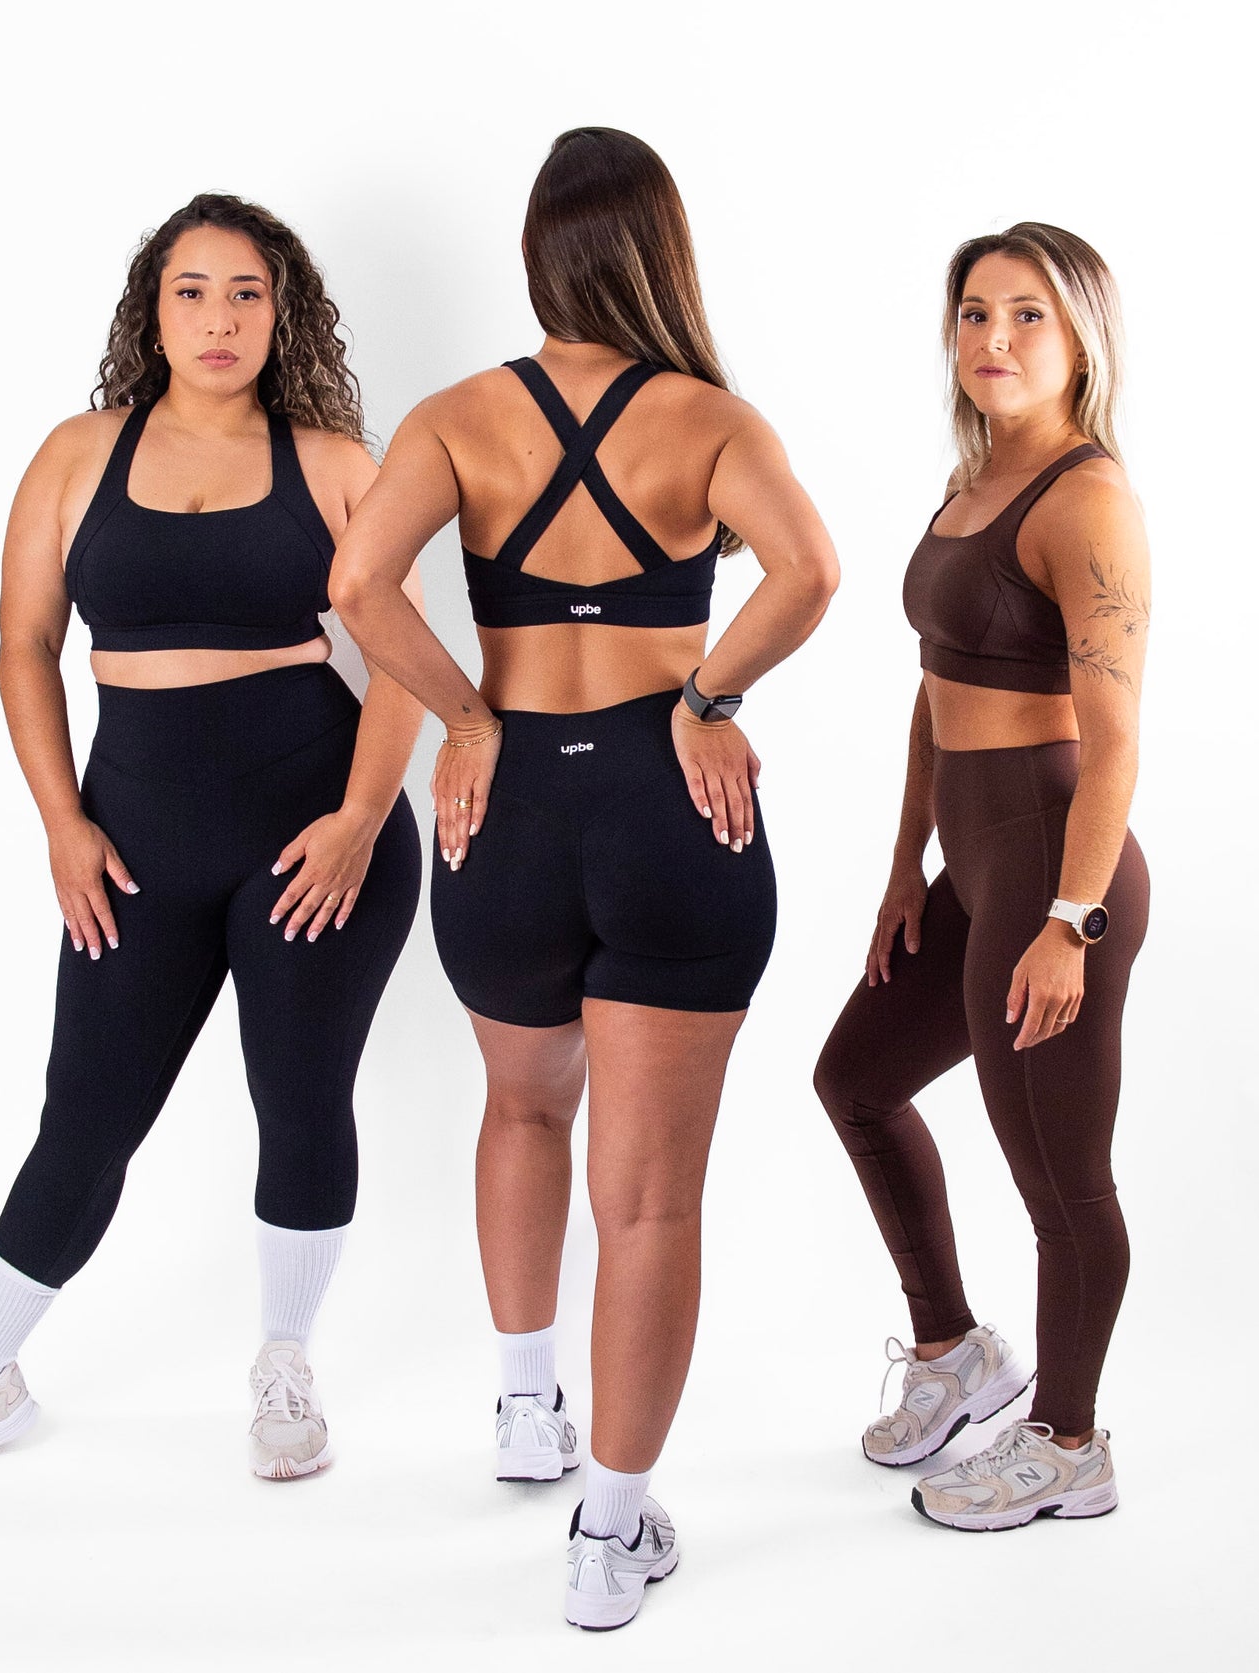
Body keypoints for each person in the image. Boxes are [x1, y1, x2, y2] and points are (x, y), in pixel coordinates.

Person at [330, 128, 838, 1627]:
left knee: (520, 1102)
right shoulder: (705, 419)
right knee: (651, 1204)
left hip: (506, 817)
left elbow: (356, 587)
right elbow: (807, 571)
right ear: (658, 253)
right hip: (667, 810)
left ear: (538, 259)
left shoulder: (454, 416)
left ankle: (521, 1408)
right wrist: (706, 700)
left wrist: (468, 715)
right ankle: (609, 1538)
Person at [0, 193, 423, 1487]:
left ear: (284, 317)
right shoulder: (75, 454)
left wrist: (357, 821)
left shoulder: (333, 462)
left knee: (299, 1099)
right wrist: (60, 822)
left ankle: (284, 1359)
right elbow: (21, 646)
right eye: (191, 290)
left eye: (246, 294)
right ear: (149, 309)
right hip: (133, 843)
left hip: (316, 838)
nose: (217, 318)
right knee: (86, 1117)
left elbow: (402, 664)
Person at [813, 223, 1149, 1531]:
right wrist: (905, 865)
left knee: (1061, 1181)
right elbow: (934, 691)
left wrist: (1068, 920)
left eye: (1025, 317)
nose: (992, 341)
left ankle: (1067, 1441)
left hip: (1054, 861)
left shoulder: (1085, 500)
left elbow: (1114, 739)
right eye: (972, 313)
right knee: (853, 1080)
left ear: (1077, 343)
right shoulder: (967, 485)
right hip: (970, 859)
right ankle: (956, 1354)